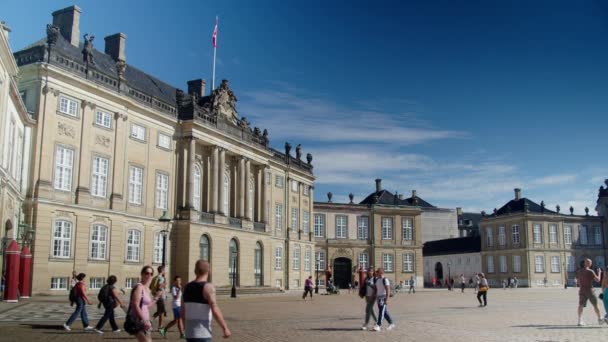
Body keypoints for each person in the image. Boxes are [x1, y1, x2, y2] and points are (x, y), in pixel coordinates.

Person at [182, 259, 231, 341]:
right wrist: (225, 328)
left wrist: (185, 327)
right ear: (209, 270)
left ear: (195, 271)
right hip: (203, 333)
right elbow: (215, 310)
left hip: (189, 333)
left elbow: (182, 311)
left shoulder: (186, 287)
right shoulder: (208, 287)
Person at [131, 265, 161, 342]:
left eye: (151, 274)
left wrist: (156, 298)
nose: (149, 275)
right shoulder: (139, 287)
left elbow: (147, 306)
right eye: (147, 273)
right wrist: (143, 320)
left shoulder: (147, 288)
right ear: (142, 274)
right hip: (139, 320)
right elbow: (135, 305)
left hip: (146, 320)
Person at [576, 258, 604, 326]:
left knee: (581, 305)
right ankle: (599, 319)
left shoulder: (579, 271)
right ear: (589, 263)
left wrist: (581, 287)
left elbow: (578, 282)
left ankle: (579, 320)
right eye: (590, 263)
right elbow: (598, 280)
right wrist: (599, 272)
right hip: (590, 290)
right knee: (595, 305)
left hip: (582, 290)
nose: (591, 264)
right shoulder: (590, 271)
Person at [151, 265, 167, 330]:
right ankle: (159, 325)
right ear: (162, 271)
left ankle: (155, 322)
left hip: (157, 295)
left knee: (160, 311)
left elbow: (150, 287)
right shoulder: (161, 278)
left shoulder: (155, 277)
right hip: (160, 296)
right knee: (162, 311)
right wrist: (164, 284)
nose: (165, 272)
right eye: (164, 270)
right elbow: (160, 287)